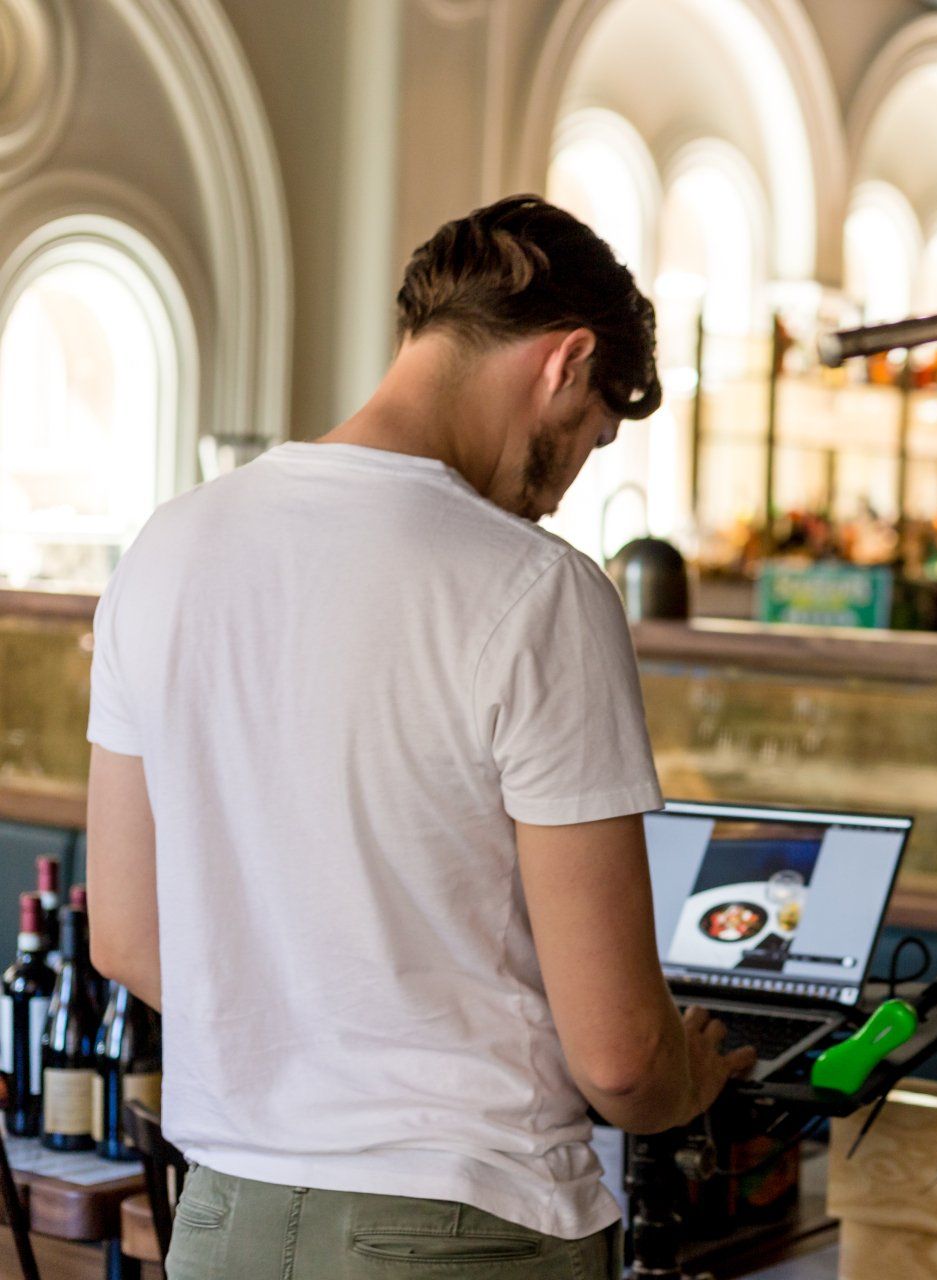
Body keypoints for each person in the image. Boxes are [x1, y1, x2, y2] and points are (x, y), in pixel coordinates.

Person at [83, 196, 755, 1277]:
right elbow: (623, 1056)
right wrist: (690, 1077)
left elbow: (124, 936)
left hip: (221, 1220)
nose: (568, 477)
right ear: (566, 362)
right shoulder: (539, 592)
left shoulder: (164, 552)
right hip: (462, 1227)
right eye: (590, 436)